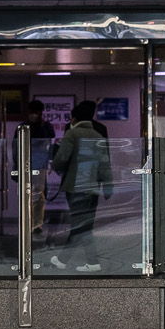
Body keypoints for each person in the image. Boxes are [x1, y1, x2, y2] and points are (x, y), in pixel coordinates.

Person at [47, 100, 111, 273]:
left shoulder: (72, 134)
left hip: (75, 186)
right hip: (92, 187)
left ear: (74, 119)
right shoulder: (98, 136)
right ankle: (64, 260)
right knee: (83, 226)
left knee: (79, 227)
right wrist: (108, 186)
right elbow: (105, 163)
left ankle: (89, 262)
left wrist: (55, 166)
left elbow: (62, 158)